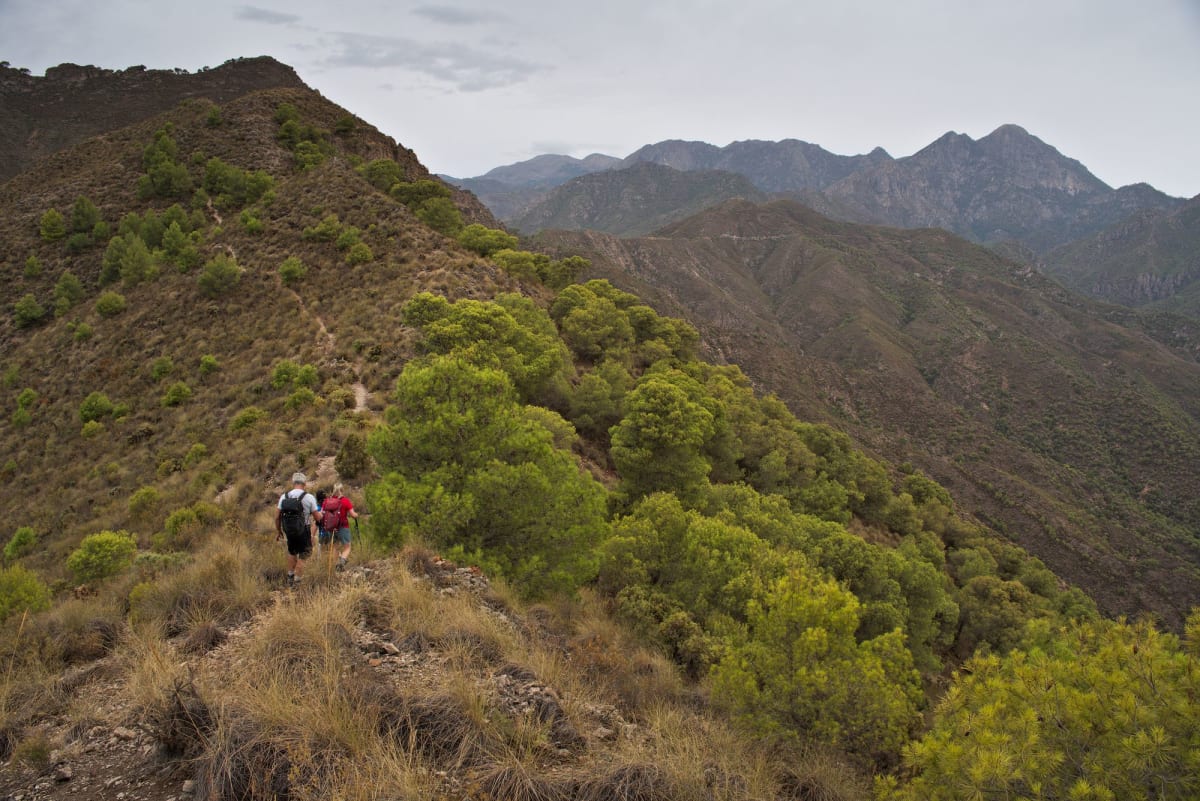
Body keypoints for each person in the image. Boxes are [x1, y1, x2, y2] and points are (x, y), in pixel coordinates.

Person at [276, 472, 321, 587]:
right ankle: (297, 580)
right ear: (304, 484)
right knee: (304, 554)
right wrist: (321, 516)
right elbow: (317, 517)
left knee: (292, 551)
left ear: (293, 482)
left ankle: (290, 576)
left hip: (288, 530)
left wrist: (279, 531)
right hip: (303, 530)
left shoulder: (284, 496)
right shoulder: (309, 497)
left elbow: (277, 517)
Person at [321, 482, 359, 572]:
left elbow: (322, 514)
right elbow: (353, 515)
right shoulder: (345, 501)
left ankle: (335, 566)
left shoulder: (327, 501)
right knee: (347, 546)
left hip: (331, 527)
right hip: (343, 527)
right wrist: (357, 515)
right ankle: (341, 563)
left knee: (335, 546)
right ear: (342, 490)